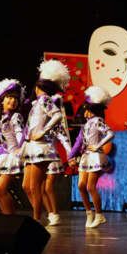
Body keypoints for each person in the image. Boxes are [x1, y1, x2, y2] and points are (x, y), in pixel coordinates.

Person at [19, 59, 70, 223]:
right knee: (26, 186)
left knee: (35, 186)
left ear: (38, 86)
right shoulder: (38, 102)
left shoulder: (45, 100)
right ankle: (40, 215)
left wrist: (43, 131)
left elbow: (57, 115)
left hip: (41, 146)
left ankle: (37, 219)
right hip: (32, 146)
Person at [68, 86, 114, 228]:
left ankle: (99, 215)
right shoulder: (86, 124)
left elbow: (110, 134)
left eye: (84, 108)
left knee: (91, 187)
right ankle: (89, 212)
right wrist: (70, 156)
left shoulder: (98, 120)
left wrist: (97, 145)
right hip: (86, 157)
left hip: (95, 156)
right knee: (81, 185)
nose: (83, 111)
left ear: (89, 109)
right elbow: (78, 142)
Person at [0, 79, 25, 216]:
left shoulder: (16, 116)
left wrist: (20, 148)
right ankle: (7, 218)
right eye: (10, 98)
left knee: (2, 189)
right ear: (2, 101)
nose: (13, 101)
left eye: (16, 99)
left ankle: (12, 219)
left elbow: (20, 133)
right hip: (0, 157)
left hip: (11, 155)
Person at [41, 95, 73, 226]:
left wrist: (71, 156)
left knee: (49, 188)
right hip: (40, 157)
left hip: (52, 158)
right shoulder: (39, 124)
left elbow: (65, 141)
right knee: (41, 189)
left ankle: (56, 214)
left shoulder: (56, 126)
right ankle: (50, 214)